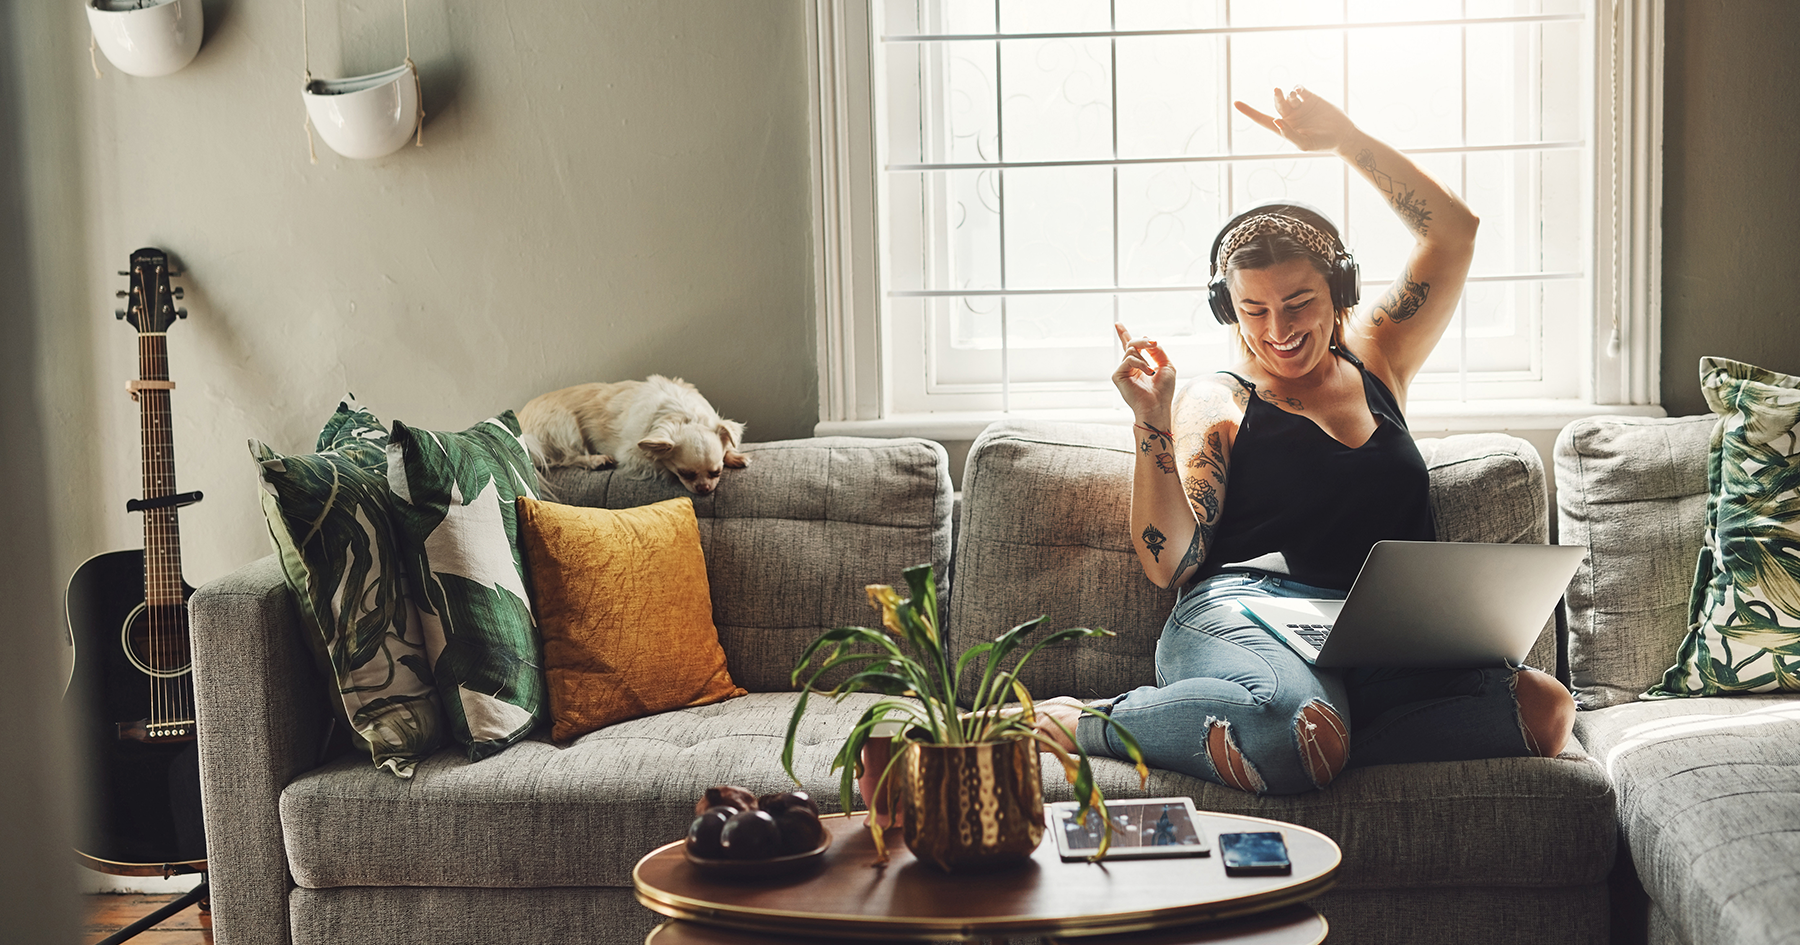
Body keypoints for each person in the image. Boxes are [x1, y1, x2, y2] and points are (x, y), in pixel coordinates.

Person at [1036, 87, 1575, 795]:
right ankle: (1089, 723)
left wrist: (1347, 138)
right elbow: (1170, 561)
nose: (1279, 329)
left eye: (1299, 303)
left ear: (1340, 292)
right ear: (1229, 307)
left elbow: (1455, 231)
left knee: (1544, 707)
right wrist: (1151, 421)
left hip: (1373, 640)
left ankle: (1322, 738)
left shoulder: (1378, 357)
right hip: (1244, 614)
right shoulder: (1220, 399)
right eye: (1254, 310)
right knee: (1299, 723)